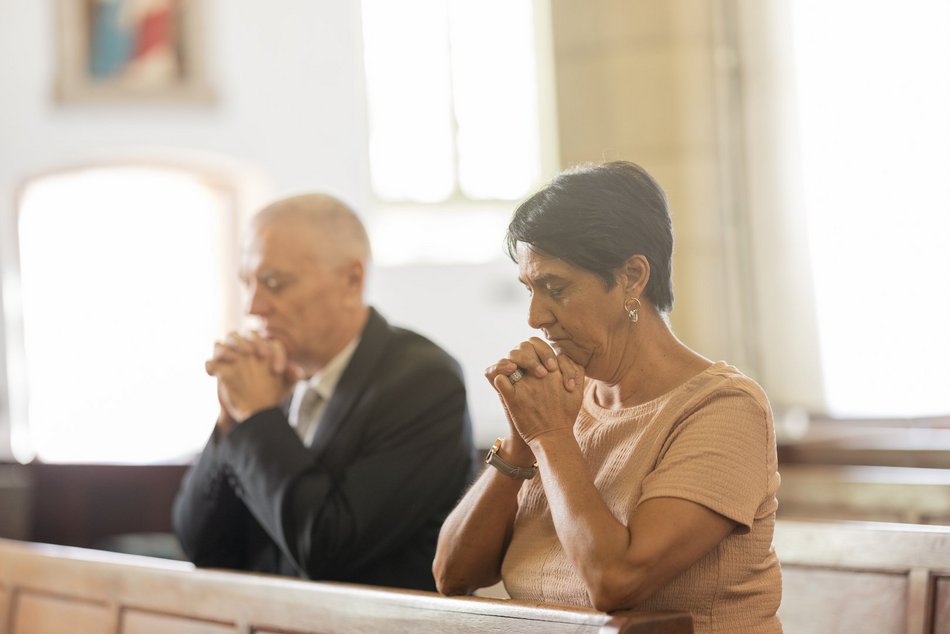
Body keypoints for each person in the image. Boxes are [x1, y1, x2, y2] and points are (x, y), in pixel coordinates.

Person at [432, 162, 782, 633]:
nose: (535, 317)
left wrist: (550, 436)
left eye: (556, 288)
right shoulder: (564, 402)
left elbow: (615, 582)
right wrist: (518, 444)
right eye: (530, 290)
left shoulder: (725, 409)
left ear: (632, 277)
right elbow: (452, 574)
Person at [173, 193, 475, 591]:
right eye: (248, 284)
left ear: (351, 281)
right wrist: (233, 419)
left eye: (275, 283)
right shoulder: (271, 381)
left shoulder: (423, 382)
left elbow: (327, 548)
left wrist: (259, 418)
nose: (253, 307)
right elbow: (201, 546)